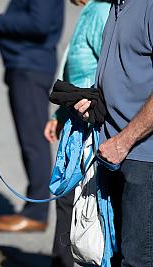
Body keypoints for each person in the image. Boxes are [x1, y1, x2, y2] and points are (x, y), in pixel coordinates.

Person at [73, 0, 153, 265]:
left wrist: (125, 140)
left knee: (138, 258)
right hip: (112, 150)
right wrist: (95, 105)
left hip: (143, 158)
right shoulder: (116, 6)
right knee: (112, 254)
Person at [0, 0, 64, 232]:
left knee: (34, 142)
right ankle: (33, 208)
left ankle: (36, 213)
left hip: (31, 66)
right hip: (25, 65)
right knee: (29, 140)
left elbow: (39, 24)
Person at [43, 1, 110, 266]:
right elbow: (71, 64)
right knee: (65, 197)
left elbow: (109, 70)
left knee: (79, 200)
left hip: (92, 123)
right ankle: (61, 260)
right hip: (75, 119)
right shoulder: (91, 9)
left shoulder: (100, 12)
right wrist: (59, 114)